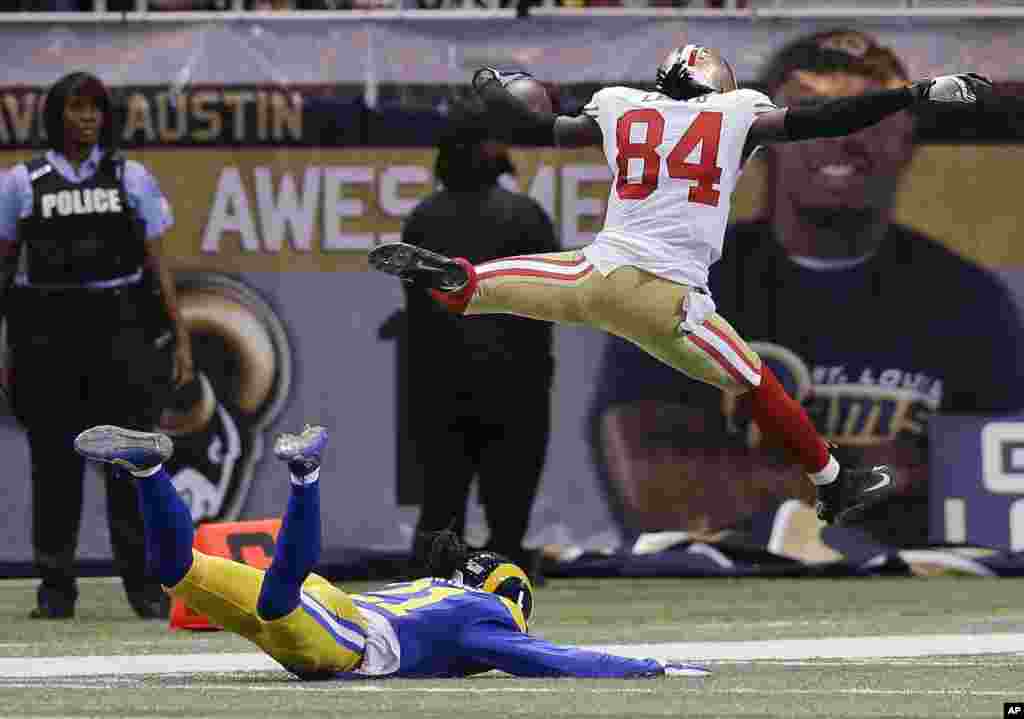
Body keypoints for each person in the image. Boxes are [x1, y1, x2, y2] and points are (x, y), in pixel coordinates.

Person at [368, 45, 990, 527]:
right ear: (717, 84)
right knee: (755, 382)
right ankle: (833, 482)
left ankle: (460, 280)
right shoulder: (737, 112)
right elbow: (829, 118)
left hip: (598, 274)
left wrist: (505, 95)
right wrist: (916, 93)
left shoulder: (618, 104)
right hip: (670, 299)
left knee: (504, 283)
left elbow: (542, 130)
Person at [587, 30, 1024, 546]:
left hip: (909, 593)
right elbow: (660, 495)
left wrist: (764, 480)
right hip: (729, 599)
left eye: (872, 112)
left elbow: (999, 498)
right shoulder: (677, 278)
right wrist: (880, 472)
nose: (843, 133)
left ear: (909, 138)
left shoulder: (968, 298)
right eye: (812, 109)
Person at [72, 423, 709, 679]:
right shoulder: (487, 617)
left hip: (338, 606)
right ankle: (305, 478)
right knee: (275, 599)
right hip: (344, 638)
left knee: (173, 569)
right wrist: (646, 666)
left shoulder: (444, 592)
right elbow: (552, 659)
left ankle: (151, 473)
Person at [0, 71, 194, 619]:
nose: (87, 119)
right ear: (55, 115)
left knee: (130, 461)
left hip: (121, 328)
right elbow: (5, 264)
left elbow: (159, 264)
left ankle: (142, 585)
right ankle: (55, 588)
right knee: (53, 465)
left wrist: (179, 336)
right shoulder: (21, 181)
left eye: (95, 109)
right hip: (46, 334)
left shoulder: (131, 177)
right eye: (75, 108)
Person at [395, 106, 557, 577]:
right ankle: (504, 576)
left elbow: (414, 295)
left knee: (441, 498)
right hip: (516, 380)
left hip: (439, 381)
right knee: (509, 506)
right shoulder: (526, 214)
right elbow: (548, 296)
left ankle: (433, 580)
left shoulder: (423, 218)